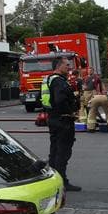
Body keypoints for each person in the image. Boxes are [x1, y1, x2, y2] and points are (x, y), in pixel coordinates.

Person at [42, 56, 81, 191]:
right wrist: (70, 112)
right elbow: (60, 100)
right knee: (63, 152)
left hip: (53, 119)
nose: (69, 68)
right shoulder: (59, 82)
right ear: (59, 66)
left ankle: (51, 180)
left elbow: (42, 99)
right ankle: (62, 182)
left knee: (55, 150)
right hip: (63, 120)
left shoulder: (49, 79)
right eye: (67, 65)